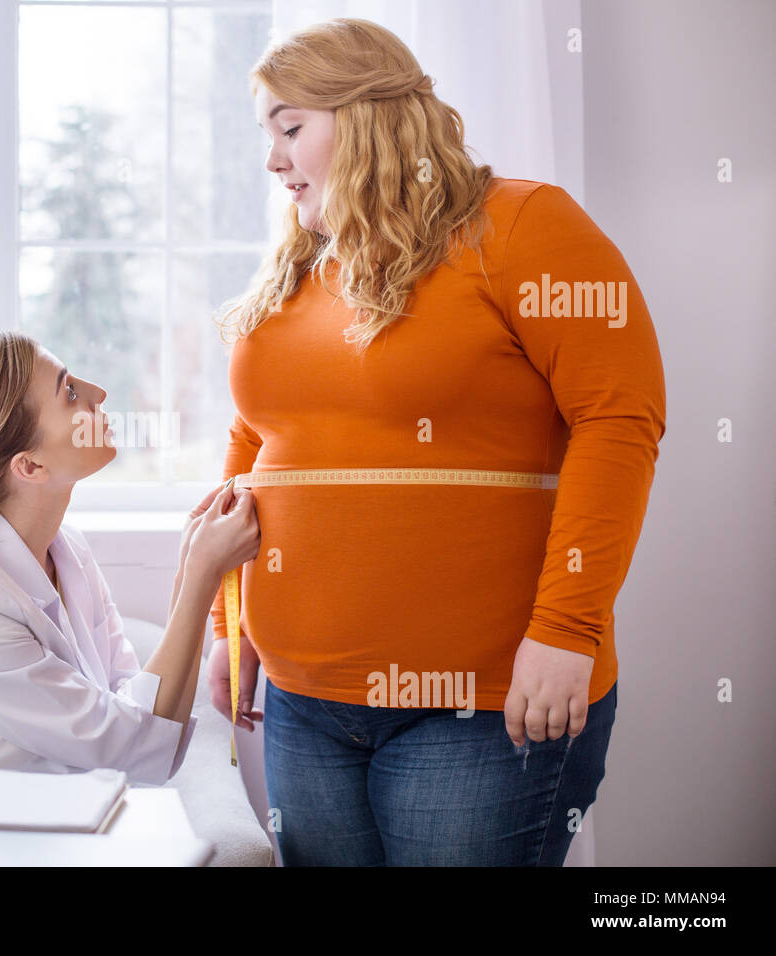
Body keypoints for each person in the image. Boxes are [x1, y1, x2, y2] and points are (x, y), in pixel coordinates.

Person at [203, 18, 666, 865]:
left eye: (291, 127)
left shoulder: (525, 225)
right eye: (265, 134)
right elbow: (256, 443)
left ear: (371, 115)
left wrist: (567, 629)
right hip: (305, 704)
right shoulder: (301, 264)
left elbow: (619, 420)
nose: (272, 160)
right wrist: (230, 622)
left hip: (483, 708)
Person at [0, 331, 260, 790]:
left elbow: (140, 718)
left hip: (46, 828)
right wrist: (203, 574)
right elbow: (134, 750)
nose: (98, 394)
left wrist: (190, 563)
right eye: (70, 392)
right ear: (30, 467)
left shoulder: (65, 549)